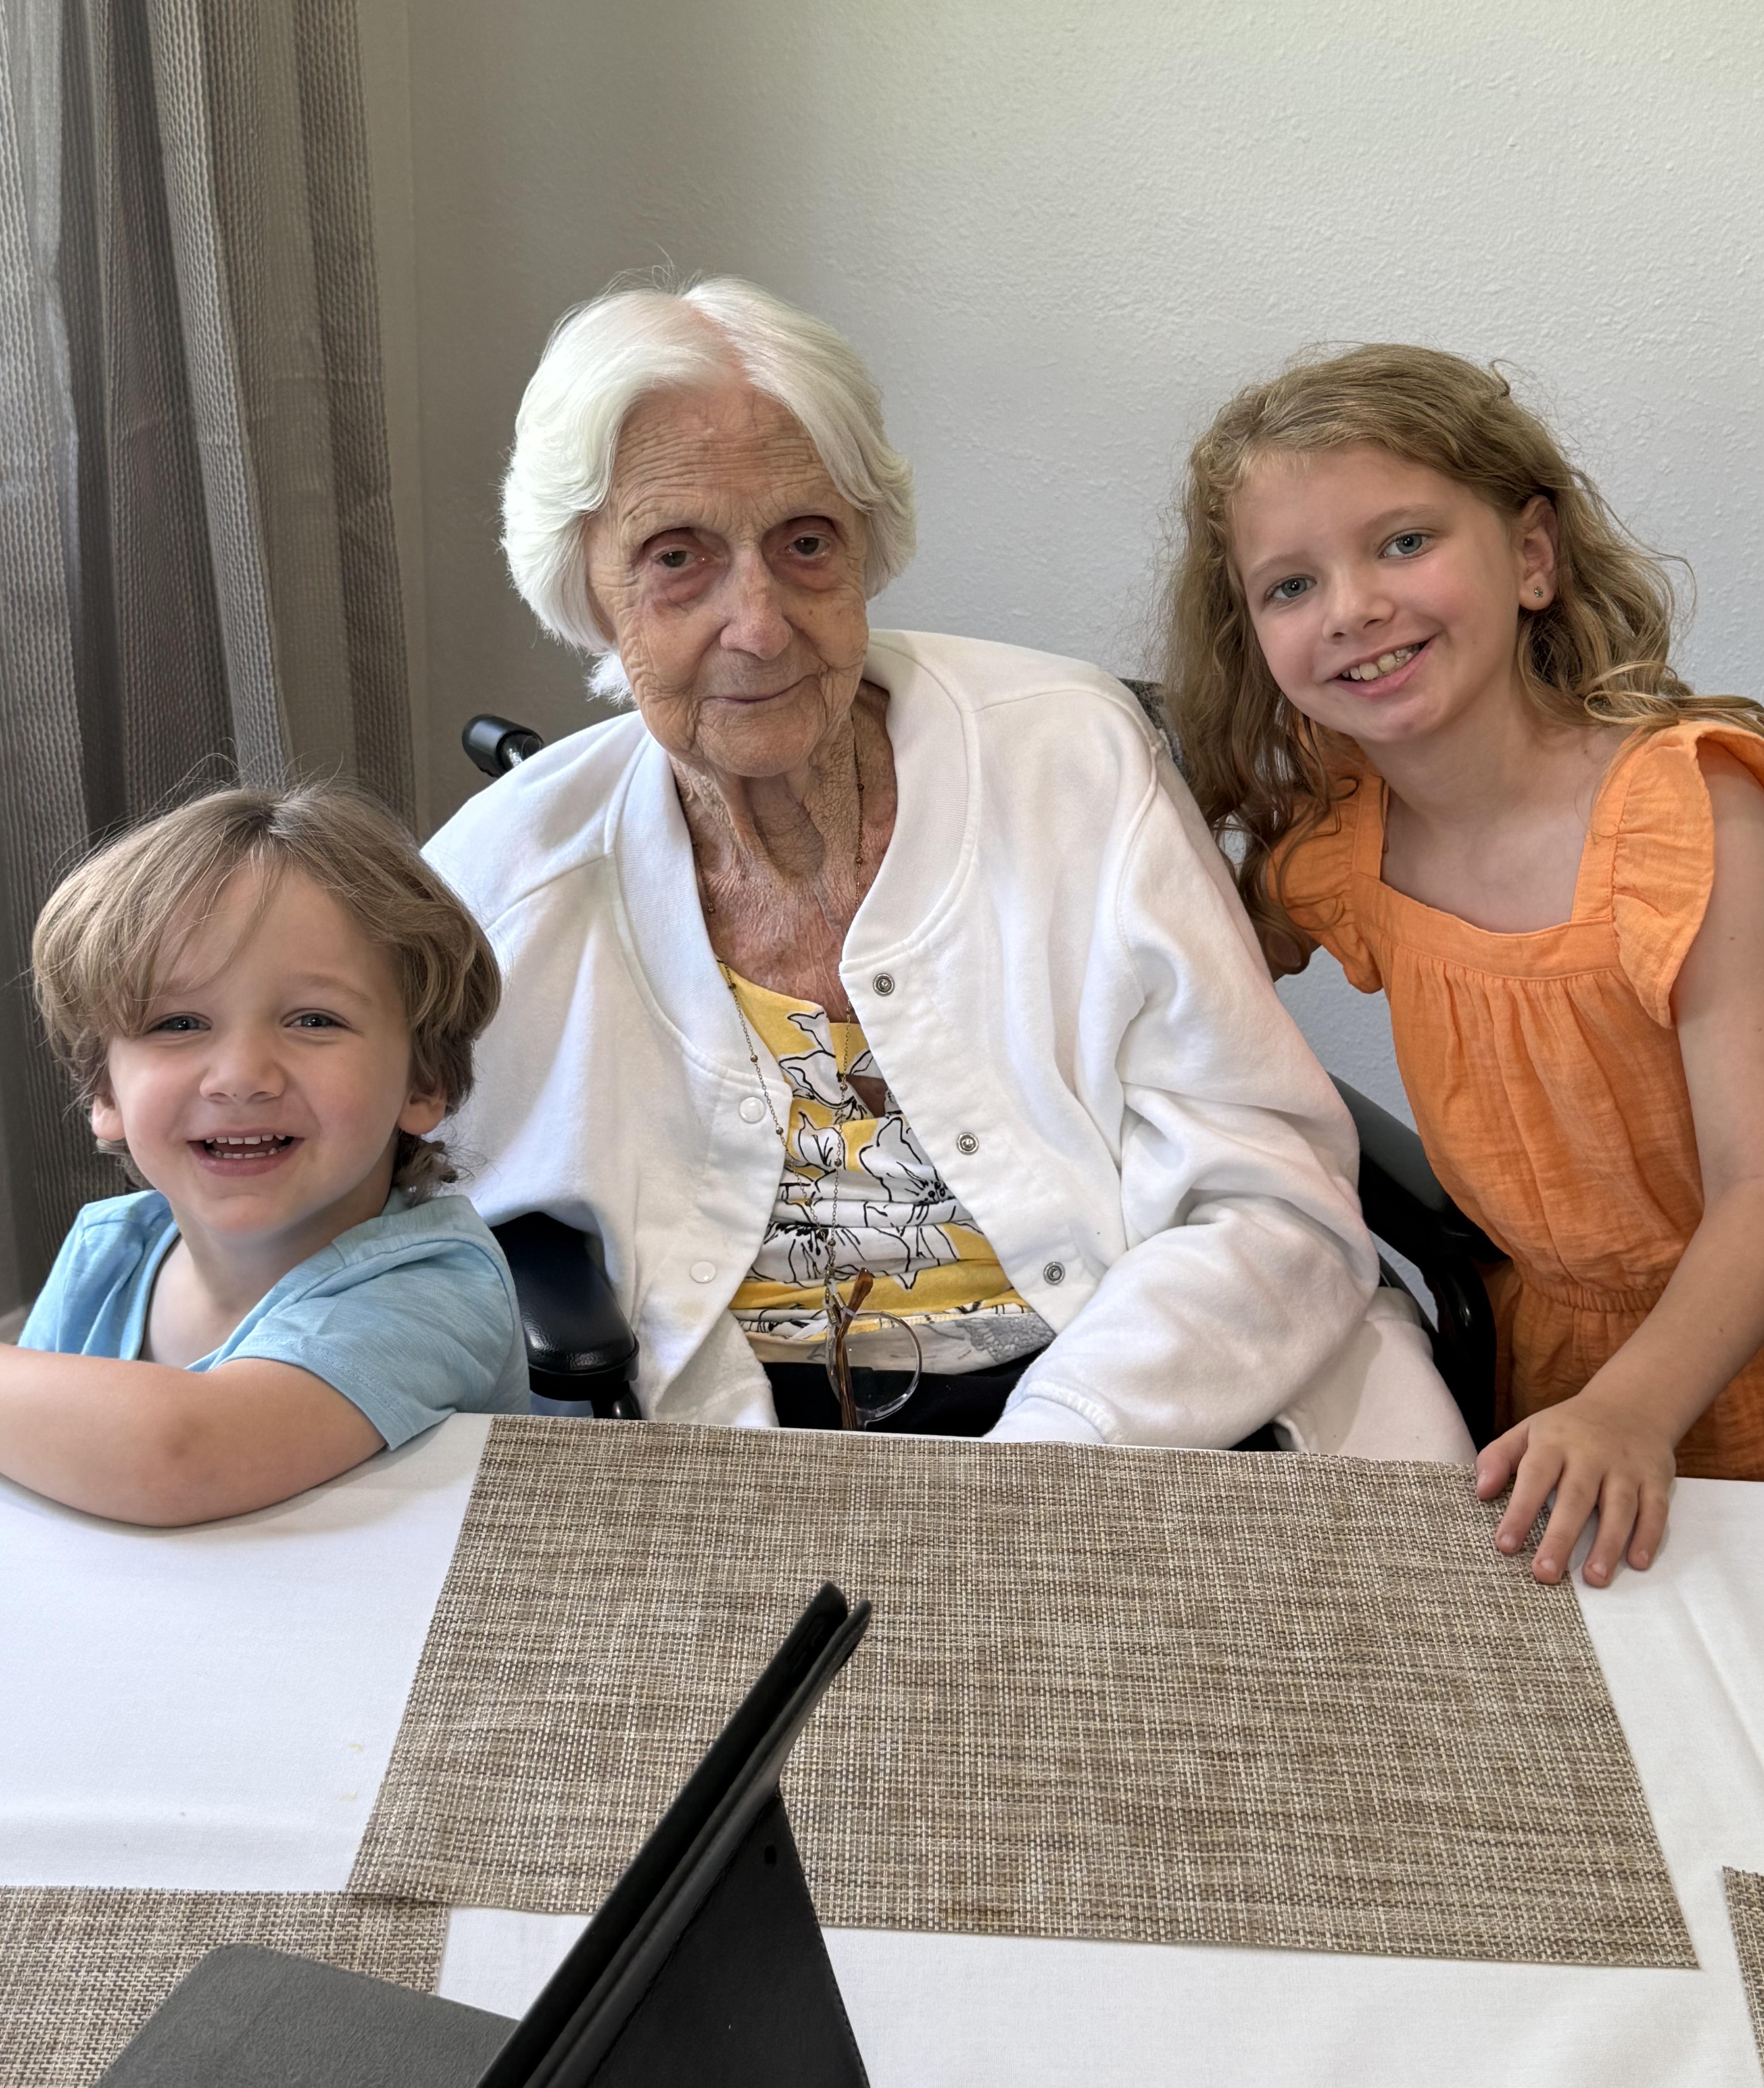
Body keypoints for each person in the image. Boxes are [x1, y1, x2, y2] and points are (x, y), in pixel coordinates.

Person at [426, 277, 1469, 1458]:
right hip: (723, 1434)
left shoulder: (1070, 754)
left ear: (868, 544)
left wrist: (1059, 1445)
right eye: (677, 558)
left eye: (805, 543)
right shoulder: (503, 872)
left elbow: (1266, 1187)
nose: (759, 621)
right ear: (585, 587)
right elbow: (396, 1206)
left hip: (1139, 1389)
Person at [1160, 342, 1764, 1584]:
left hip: (1722, 1355)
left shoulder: (1691, 814)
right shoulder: (1338, 845)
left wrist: (1632, 1408)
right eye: (1287, 585)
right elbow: (1155, 972)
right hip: (1542, 1369)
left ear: (1531, 557)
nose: (1351, 608)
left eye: (1400, 544)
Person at [11, 785, 530, 1527]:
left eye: (314, 1020)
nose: (243, 1077)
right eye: (179, 1023)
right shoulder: (108, 1253)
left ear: (425, 1081)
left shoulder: (434, 1287)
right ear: (106, 1091)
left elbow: (182, 1457)